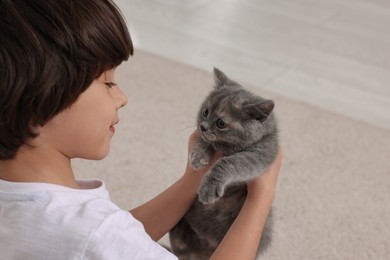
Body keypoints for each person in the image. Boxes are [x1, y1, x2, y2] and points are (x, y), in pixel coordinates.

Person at [0, 0, 283, 259]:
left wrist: (191, 182)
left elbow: (116, 240)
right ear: (41, 102)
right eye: (108, 83)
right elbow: (104, 239)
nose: (122, 97)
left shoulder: (54, 214)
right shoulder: (95, 232)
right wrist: (261, 196)